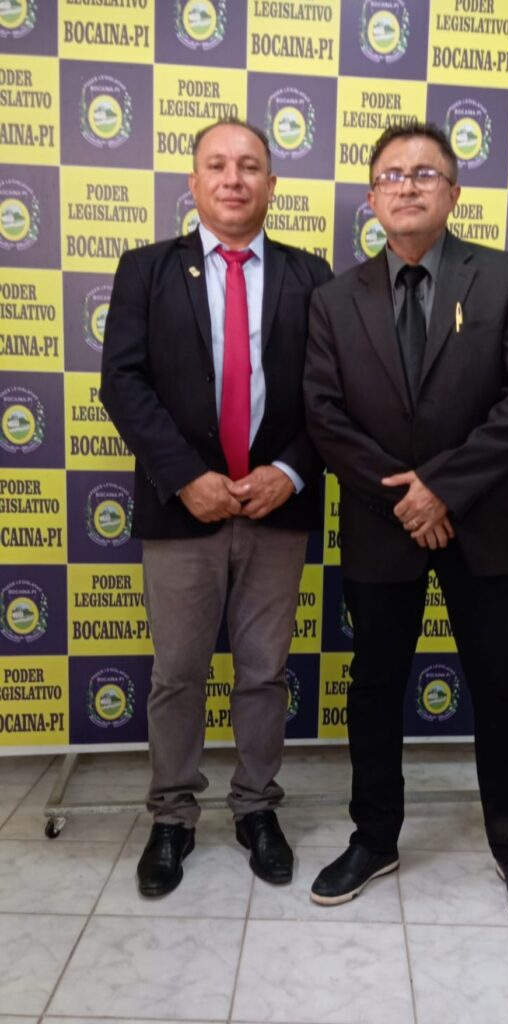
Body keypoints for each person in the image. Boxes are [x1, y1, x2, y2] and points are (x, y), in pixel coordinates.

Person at [303, 121, 508, 926]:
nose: (407, 186)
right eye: (392, 175)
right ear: (371, 196)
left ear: (453, 192)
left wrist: (441, 489)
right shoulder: (334, 299)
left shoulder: (507, 278)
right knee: (374, 686)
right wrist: (407, 500)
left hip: (481, 522)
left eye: (424, 174)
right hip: (382, 527)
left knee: (500, 686)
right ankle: (374, 838)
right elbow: (324, 414)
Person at [101, 118, 332, 897]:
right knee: (178, 673)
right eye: (218, 165)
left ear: (271, 184)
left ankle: (256, 808)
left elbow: (331, 394)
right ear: (193, 182)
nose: (234, 179)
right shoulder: (145, 270)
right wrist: (184, 477)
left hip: (277, 510)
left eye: (250, 166)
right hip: (182, 510)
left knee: (265, 672)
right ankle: (172, 817)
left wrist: (290, 471)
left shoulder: (311, 275)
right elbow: (123, 382)